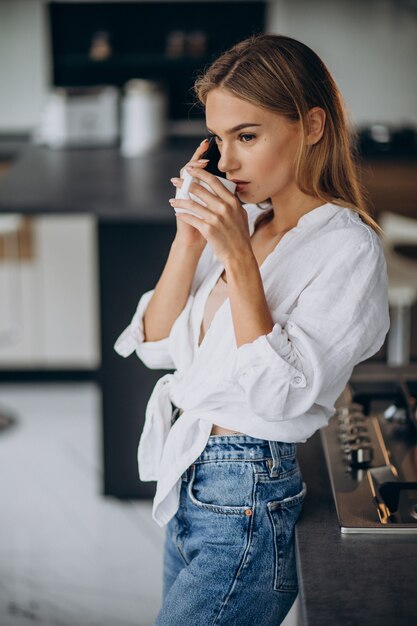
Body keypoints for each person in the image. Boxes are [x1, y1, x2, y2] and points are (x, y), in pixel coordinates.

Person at [114, 34, 389, 626]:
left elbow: (281, 393)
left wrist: (237, 257)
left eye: (248, 135)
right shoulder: (246, 220)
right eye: (218, 139)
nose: (228, 161)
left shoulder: (347, 248)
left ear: (312, 126)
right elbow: (158, 346)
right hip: (192, 478)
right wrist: (191, 241)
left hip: (247, 490)